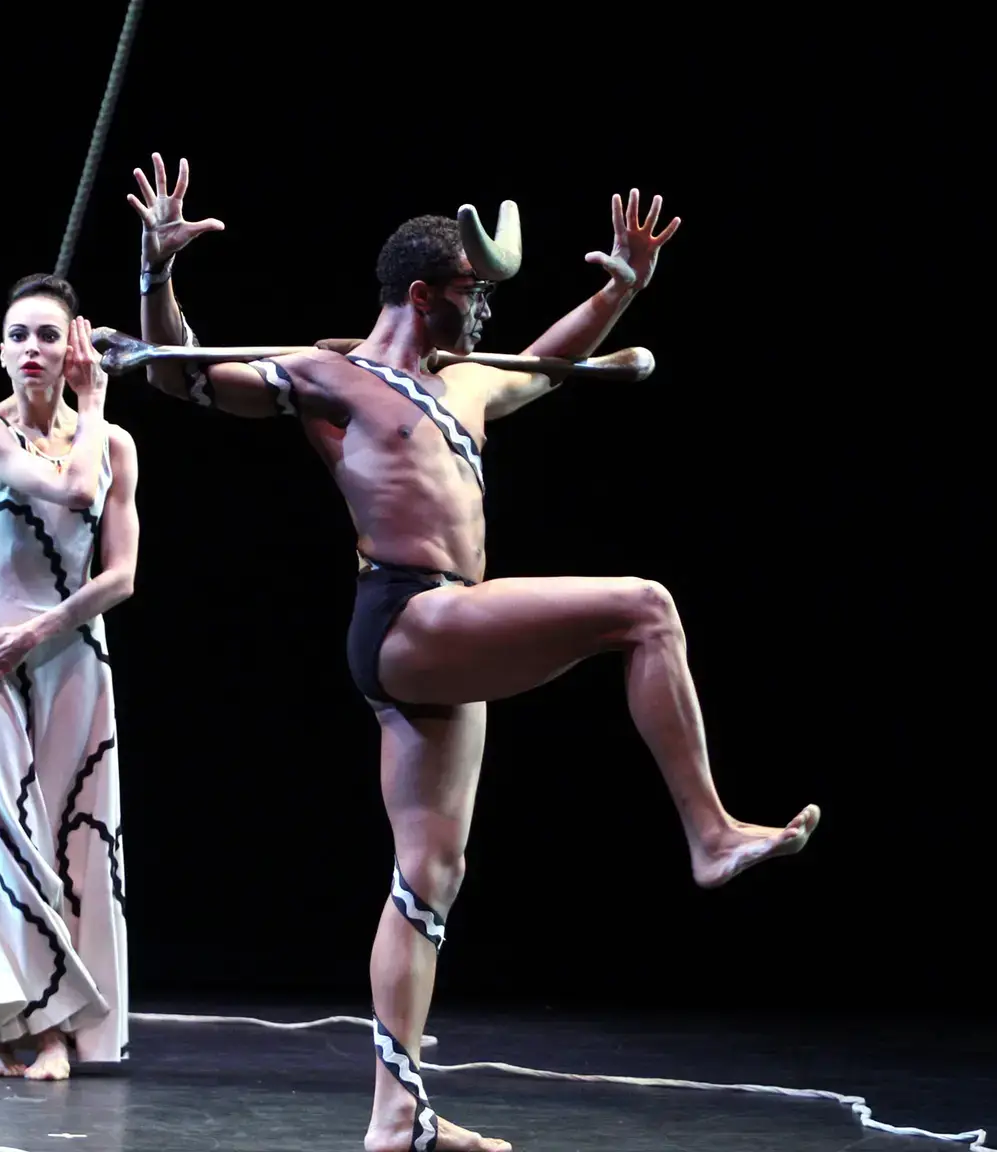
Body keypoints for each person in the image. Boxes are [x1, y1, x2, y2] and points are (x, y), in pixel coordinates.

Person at [125, 154, 820, 1152]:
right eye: (471, 295)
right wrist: (156, 275)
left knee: (426, 878)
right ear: (419, 294)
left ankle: (394, 1116)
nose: (483, 313)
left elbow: (551, 356)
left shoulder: (463, 385)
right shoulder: (332, 380)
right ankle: (707, 834)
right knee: (643, 609)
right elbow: (181, 375)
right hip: (407, 620)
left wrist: (617, 288)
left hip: (445, 634)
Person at [0, 272, 139, 1082]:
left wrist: (50, 629)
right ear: (0, 349)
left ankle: (60, 1027)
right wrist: (92, 410)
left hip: (69, 661)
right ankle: (28, 1027)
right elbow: (70, 487)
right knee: (5, 845)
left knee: (71, 840)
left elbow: (122, 575)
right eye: (18, 335)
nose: (32, 348)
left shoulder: (114, 441)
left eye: (48, 335)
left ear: (75, 347)